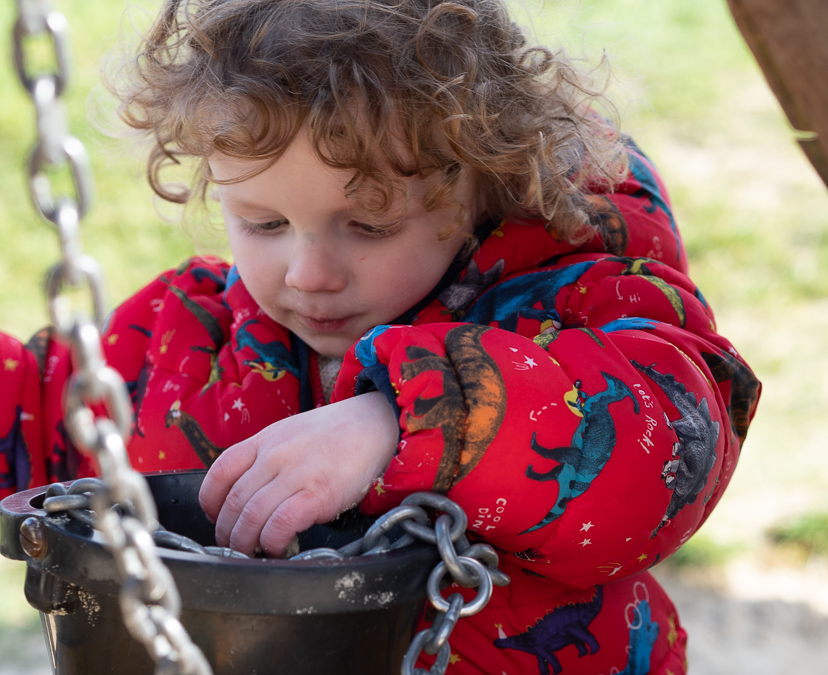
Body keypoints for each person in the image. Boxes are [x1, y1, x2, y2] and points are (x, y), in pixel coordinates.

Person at [0, 1, 761, 673]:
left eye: (367, 224)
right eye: (262, 223)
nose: (309, 272)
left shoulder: (575, 299)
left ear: (480, 178)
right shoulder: (192, 337)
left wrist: (409, 416)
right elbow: (35, 408)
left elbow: (673, 439)